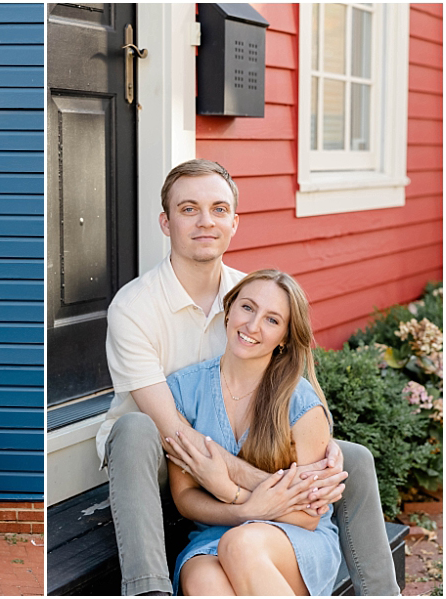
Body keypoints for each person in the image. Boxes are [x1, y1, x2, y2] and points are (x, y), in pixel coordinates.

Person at [98, 159, 398, 595]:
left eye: (219, 209)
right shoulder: (134, 307)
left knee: (350, 459)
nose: (206, 221)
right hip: (159, 455)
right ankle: (149, 588)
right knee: (134, 429)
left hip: (244, 458)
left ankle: (381, 592)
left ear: (234, 223)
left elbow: (288, 387)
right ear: (165, 223)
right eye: (188, 210)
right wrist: (262, 493)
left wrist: (317, 445)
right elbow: (177, 435)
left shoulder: (249, 293)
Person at [166, 269, 340, 595]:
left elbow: (307, 517)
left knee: (242, 544)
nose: (253, 326)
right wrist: (244, 511)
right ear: (229, 309)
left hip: (294, 539)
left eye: (272, 320)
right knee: (202, 578)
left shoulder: (300, 404)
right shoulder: (182, 390)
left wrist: (234, 494)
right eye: (247, 308)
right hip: (212, 536)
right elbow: (185, 497)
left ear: (286, 337)